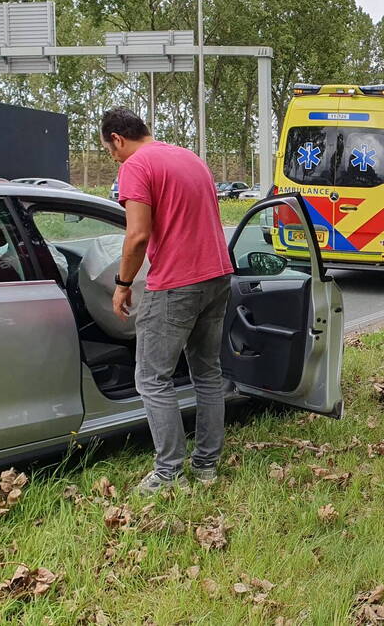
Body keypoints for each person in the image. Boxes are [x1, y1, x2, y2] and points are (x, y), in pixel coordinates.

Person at [103, 107, 234, 494]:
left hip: (176, 284)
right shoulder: (190, 158)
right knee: (208, 373)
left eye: (110, 151)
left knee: (152, 378)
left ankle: (169, 474)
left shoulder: (136, 165)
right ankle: (207, 466)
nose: (114, 158)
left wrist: (123, 283)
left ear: (118, 139)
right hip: (218, 275)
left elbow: (137, 236)